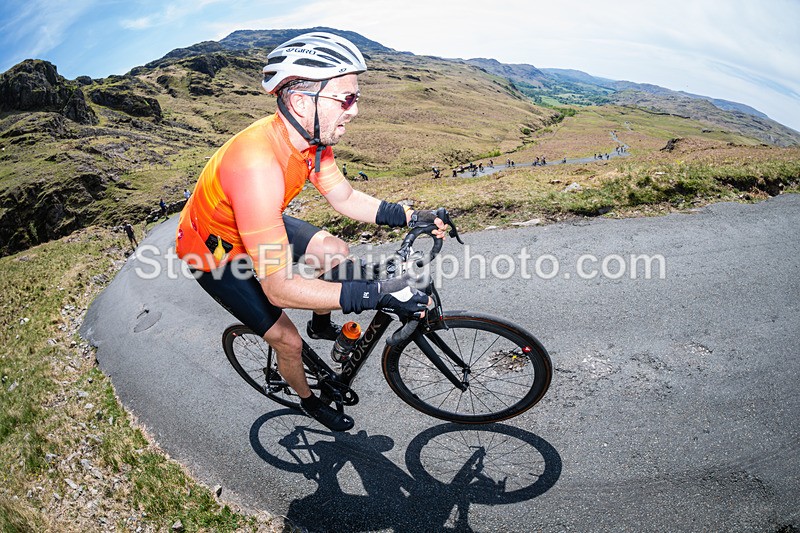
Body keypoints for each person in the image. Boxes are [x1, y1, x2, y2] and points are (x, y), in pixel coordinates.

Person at [174, 32, 445, 432]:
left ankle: (320, 323)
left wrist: (409, 215)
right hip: (212, 251)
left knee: (334, 252)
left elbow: (346, 198)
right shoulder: (257, 165)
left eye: (356, 98)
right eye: (347, 98)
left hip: (251, 217)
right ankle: (308, 401)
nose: (354, 110)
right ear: (302, 101)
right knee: (287, 340)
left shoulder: (312, 142)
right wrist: (375, 292)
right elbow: (279, 289)